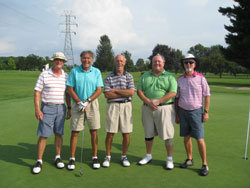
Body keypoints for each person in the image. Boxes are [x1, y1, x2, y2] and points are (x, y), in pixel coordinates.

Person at [32, 52, 71, 174]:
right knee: (44, 135)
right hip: (47, 108)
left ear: (64, 62)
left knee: (59, 134)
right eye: (57, 60)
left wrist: (69, 108)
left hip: (61, 108)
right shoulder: (44, 74)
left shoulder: (66, 76)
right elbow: (37, 92)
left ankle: (58, 157)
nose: (59, 62)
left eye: (61, 60)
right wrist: (37, 109)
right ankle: (39, 160)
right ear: (53, 61)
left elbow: (68, 94)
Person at [137, 53, 177, 169]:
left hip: (165, 108)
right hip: (147, 108)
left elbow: (173, 92)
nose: (157, 63)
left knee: (168, 134)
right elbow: (139, 91)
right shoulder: (145, 76)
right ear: (152, 63)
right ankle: (148, 155)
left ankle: (169, 159)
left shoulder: (170, 77)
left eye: (159, 61)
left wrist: (159, 101)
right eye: (155, 61)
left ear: (163, 63)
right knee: (148, 133)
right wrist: (148, 101)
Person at [66, 50, 103, 170]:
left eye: (88, 58)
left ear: (92, 60)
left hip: (92, 104)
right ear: (80, 59)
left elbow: (98, 90)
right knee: (75, 132)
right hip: (77, 104)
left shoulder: (96, 71)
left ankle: (95, 157)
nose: (86, 60)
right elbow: (70, 89)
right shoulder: (74, 71)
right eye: (84, 58)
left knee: (94, 131)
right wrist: (79, 102)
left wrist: (87, 101)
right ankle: (72, 158)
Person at [175, 53, 210, 176]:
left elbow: (207, 95)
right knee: (186, 138)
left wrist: (206, 111)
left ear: (195, 64)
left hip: (196, 111)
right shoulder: (179, 79)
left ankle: (204, 164)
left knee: (199, 139)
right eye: (186, 62)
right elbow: (177, 98)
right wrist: (177, 114)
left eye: (191, 62)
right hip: (183, 111)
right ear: (183, 64)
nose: (188, 64)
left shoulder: (201, 78)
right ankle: (189, 159)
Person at [102, 54, 136, 168]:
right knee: (110, 133)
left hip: (126, 106)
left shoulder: (129, 76)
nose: (119, 63)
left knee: (126, 133)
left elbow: (131, 92)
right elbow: (107, 94)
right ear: (114, 62)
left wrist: (115, 90)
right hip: (113, 106)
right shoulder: (109, 77)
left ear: (125, 62)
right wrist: (123, 92)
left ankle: (124, 156)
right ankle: (108, 156)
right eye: (117, 61)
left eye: (121, 61)